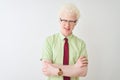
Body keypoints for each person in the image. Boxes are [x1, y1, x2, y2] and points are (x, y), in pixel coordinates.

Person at [41, 3, 88, 80]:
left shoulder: (81, 44)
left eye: (71, 21)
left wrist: (54, 69)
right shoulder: (49, 41)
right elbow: (46, 69)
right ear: (59, 20)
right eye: (65, 20)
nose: (67, 25)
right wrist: (74, 67)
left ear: (75, 23)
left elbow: (83, 72)